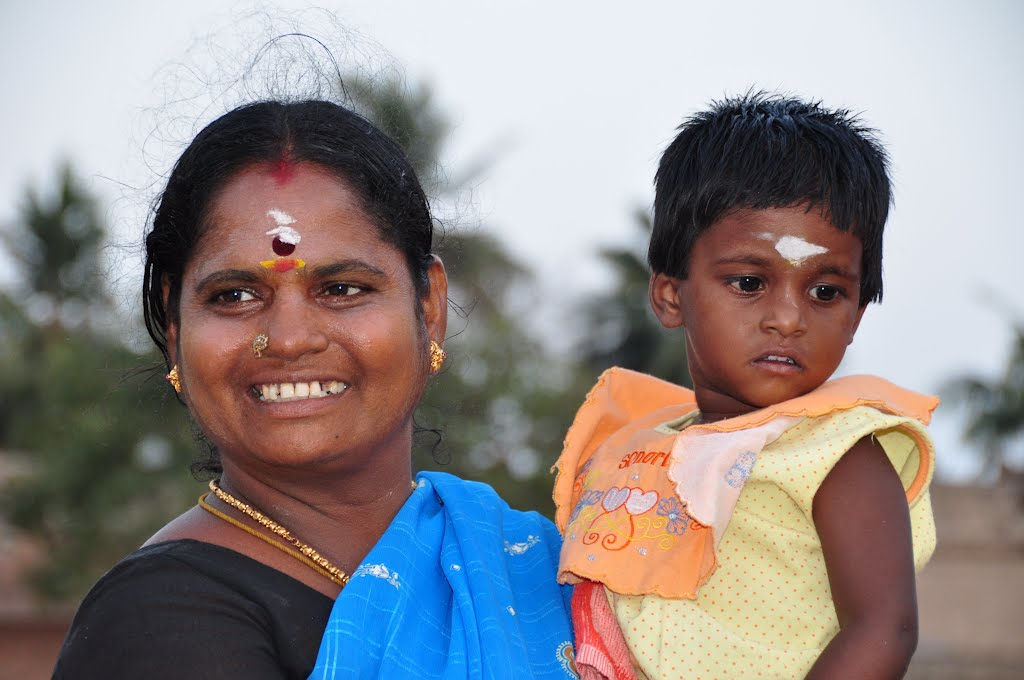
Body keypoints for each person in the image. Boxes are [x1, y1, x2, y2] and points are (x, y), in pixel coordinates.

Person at [54, 99, 577, 679]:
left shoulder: (554, 577)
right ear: (175, 330)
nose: (289, 339)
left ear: (428, 307)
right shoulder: (158, 626)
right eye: (234, 295)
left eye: (343, 288)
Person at [553, 93, 937, 679]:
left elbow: (884, 628)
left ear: (857, 313)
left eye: (825, 292)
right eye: (750, 281)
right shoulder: (638, 447)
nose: (788, 317)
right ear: (671, 295)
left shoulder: (836, 451)